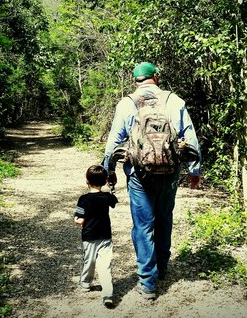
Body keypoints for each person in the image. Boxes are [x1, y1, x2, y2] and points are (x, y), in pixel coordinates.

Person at [103, 62, 201, 300]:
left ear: (134, 79)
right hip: (169, 172)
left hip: (138, 174)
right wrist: (194, 170)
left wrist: (109, 170)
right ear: (155, 77)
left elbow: (113, 141)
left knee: (143, 226)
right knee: (164, 218)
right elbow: (190, 136)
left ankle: (148, 284)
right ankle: (163, 268)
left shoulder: (127, 103)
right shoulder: (173, 100)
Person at [74, 165, 119, 308]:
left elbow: (80, 219)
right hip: (105, 236)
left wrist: (76, 220)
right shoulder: (107, 197)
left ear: (87, 181)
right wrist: (111, 187)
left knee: (90, 260)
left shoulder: (83, 199)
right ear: (105, 181)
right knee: (105, 265)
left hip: (89, 236)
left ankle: (86, 283)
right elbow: (114, 202)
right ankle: (108, 294)